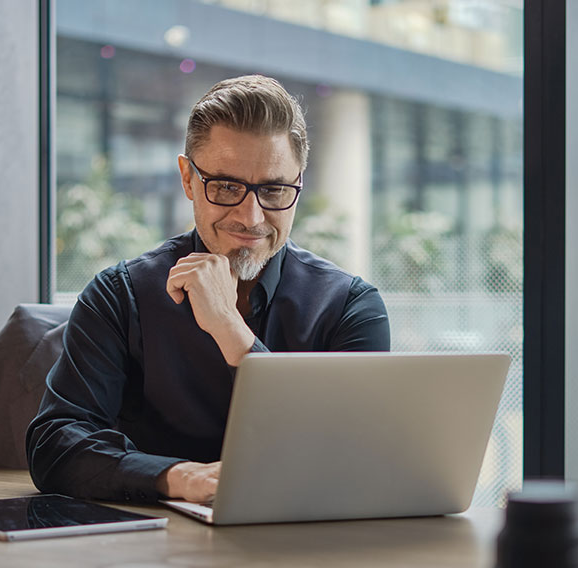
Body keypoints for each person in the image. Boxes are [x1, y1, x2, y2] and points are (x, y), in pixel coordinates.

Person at [26, 75, 390, 505]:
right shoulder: (120, 295)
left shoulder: (352, 308)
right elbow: (55, 444)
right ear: (188, 179)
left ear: (298, 185)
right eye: (226, 187)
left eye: (273, 190)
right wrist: (178, 478)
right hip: (153, 544)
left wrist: (231, 331)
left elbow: (352, 458)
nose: (251, 217)